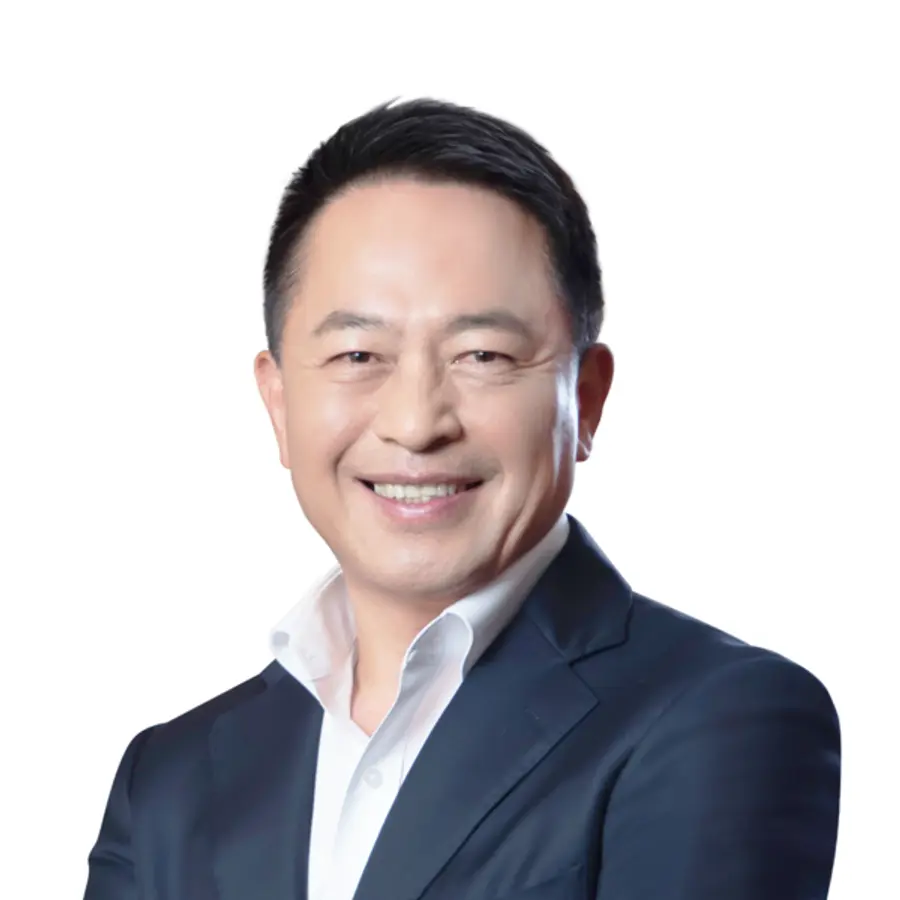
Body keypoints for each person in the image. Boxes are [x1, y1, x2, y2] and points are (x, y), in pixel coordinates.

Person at [84, 98, 841, 900]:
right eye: (358, 354)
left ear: (585, 399)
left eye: (483, 355)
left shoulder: (717, 719)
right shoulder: (169, 780)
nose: (416, 423)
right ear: (278, 404)